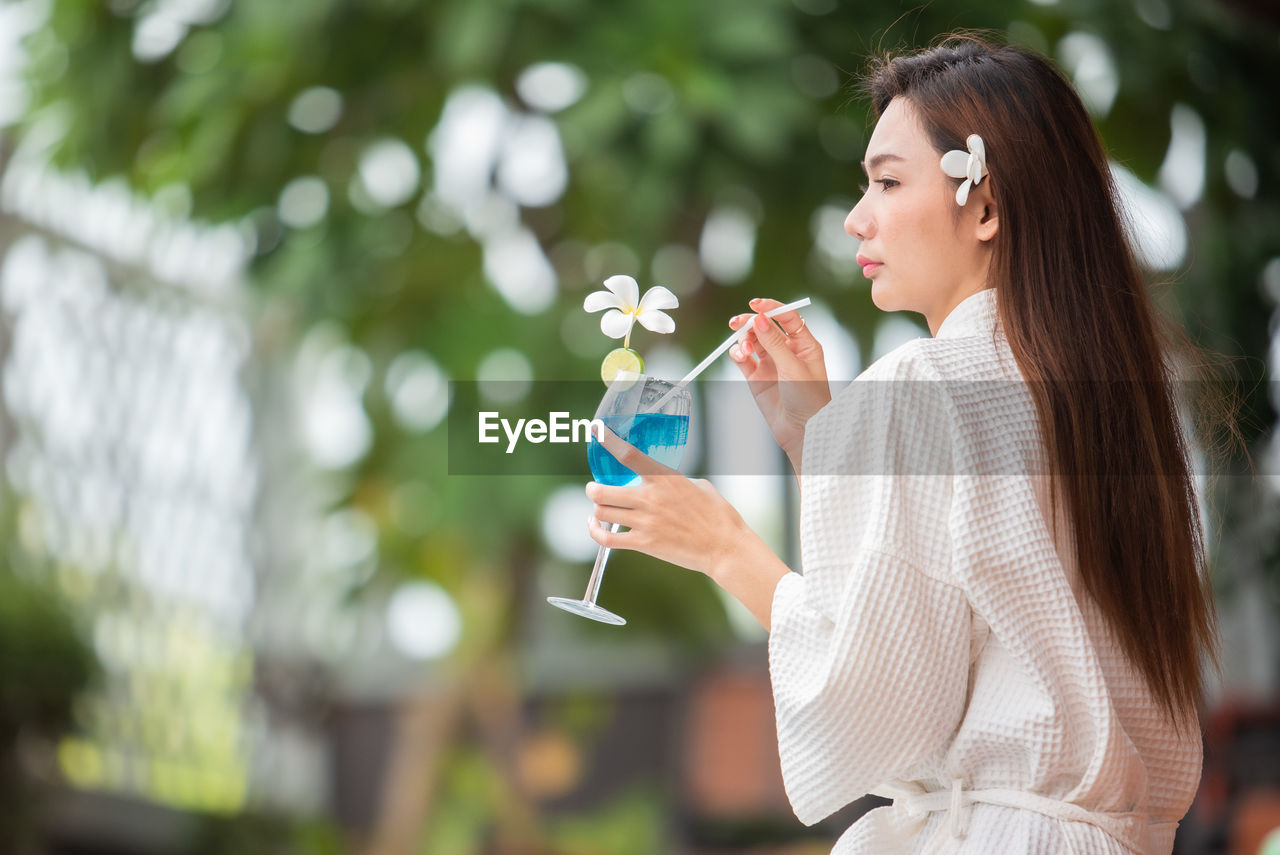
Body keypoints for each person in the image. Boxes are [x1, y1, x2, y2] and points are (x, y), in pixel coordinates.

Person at [585, 35, 1218, 854]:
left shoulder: (924, 383)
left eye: (887, 181)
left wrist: (725, 547)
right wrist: (823, 441)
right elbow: (981, 587)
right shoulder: (1110, 402)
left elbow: (881, 705)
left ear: (985, 206)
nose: (858, 217)